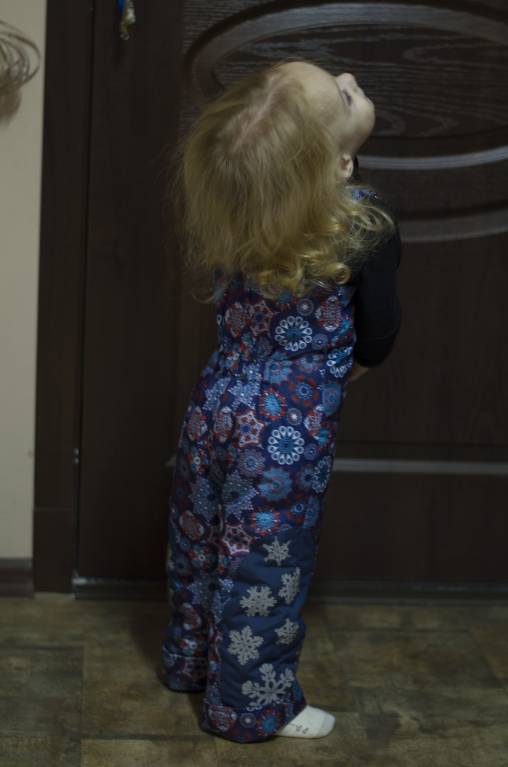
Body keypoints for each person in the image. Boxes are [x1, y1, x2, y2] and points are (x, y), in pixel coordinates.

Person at [160, 59, 402, 743]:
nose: (352, 79)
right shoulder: (364, 226)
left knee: (201, 543)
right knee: (264, 570)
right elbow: (380, 332)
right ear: (341, 165)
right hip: (281, 442)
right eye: (344, 95)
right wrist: (354, 364)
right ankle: (250, 706)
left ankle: (189, 659)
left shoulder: (239, 205)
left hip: (214, 405)